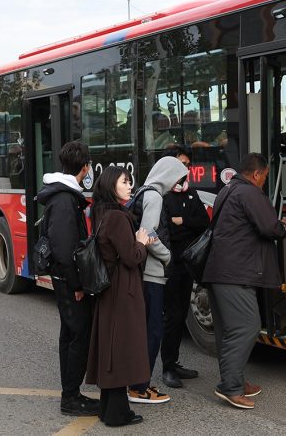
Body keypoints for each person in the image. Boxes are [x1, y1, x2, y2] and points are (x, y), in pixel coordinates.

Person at [202, 153, 286, 410]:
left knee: (228, 331)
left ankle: (237, 381)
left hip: (218, 271)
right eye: (264, 177)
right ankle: (230, 387)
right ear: (256, 174)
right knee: (248, 326)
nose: (264, 182)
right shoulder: (251, 194)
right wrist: (285, 227)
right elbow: (270, 228)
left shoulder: (227, 190)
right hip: (235, 273)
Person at [85, 166, 153, 427]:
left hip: (110, 289)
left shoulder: (101, 211)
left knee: (113, 347)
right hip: (122, 289)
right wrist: (142, 242)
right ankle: (116, 414)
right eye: (125, 182)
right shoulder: (117, 217)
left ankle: (109, 409)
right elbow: (131, 257)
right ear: (112, 185)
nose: (129, 186)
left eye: (130, 181)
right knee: (123, 348)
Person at [35, 141, 99, 417]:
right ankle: (71, 398)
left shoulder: (63, 195)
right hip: (67, 279)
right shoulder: (64, 200)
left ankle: (70, 393)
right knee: (78, 336)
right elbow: (63, 248)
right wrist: (76, 286)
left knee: (70, 335)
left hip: (65, 277)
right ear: (85, 168)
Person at [126, 155, 188, 405]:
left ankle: (138, 383)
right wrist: (167, 257)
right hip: (151, 274)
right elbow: (148, 233)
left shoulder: (144, 192)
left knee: (148, 330)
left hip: (144, 272)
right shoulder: (153, 196)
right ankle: (140, 387)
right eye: (179, 178)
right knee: (152, 332)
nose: (180, 183)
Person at [158, 150, 209, 388]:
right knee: (171, 316)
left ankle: (175, 362)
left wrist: (183, 221)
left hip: (187, 264)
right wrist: (184, 224)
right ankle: (167, 367)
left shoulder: (191, 193)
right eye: (181, 165)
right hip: (169, 266)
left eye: (188, 165)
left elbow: (203, 223)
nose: (185, 170)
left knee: (180, 316)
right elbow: (167, 229)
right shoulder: (161, 196)